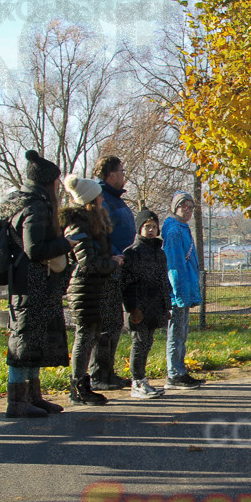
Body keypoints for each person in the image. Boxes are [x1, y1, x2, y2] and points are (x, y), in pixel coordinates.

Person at [0, 150, 76, 418]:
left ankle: (32, 396)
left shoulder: (21, 202)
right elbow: (34, 249)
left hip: (27, 282)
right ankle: (18, 401)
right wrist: (66, 243)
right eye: (56, 181)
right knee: (23, 340)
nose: (58, 186)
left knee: (32, 339)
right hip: (31, 283)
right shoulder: (36, 206)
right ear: (48, 181)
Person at [60, 174, 122, 405]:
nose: (103, 201)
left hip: (93, 289)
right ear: (90, 201)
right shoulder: (80, 227)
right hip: (85, 290)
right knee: (85, 337)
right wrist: (113, 263)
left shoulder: (90, 225)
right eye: (99, 198)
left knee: (90, 336)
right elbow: (89, 264)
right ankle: (78, 388)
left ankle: (82, 385)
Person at [89, 156, 136, 391]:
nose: (124, 174)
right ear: (110, 175)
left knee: (115, 322)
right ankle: (98, 374)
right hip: (109, 268)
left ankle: (107, 371)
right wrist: (113, 256)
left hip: (119, 265)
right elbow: (100, 234)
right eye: (122, 170)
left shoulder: (114, 198)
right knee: (108, 322)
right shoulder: (101, 199)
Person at [121, 210, 171, 399]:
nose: (151, 230)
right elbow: (127, 285)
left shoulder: (160, 253)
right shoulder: (132, 254)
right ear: (139, 228)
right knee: (139, 343)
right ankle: (137, 381)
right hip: (138, 308)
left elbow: (163, 282)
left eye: (154, 227)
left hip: (155, 306)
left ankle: (143, 380)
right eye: (147, 227)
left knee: (148, 342)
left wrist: (166, 306)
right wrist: (132, 308)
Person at [162, 191, 206, 390]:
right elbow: (175, 265)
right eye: (183, 206)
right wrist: (179, 292)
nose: (187, 210)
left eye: (190, 207)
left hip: (185, 288)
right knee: (177, 333)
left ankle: (179, 369)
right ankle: (175, 373)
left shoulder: (182, 228)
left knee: (182, 332)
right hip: (178, 291)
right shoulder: (174, 231)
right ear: (175, 208)